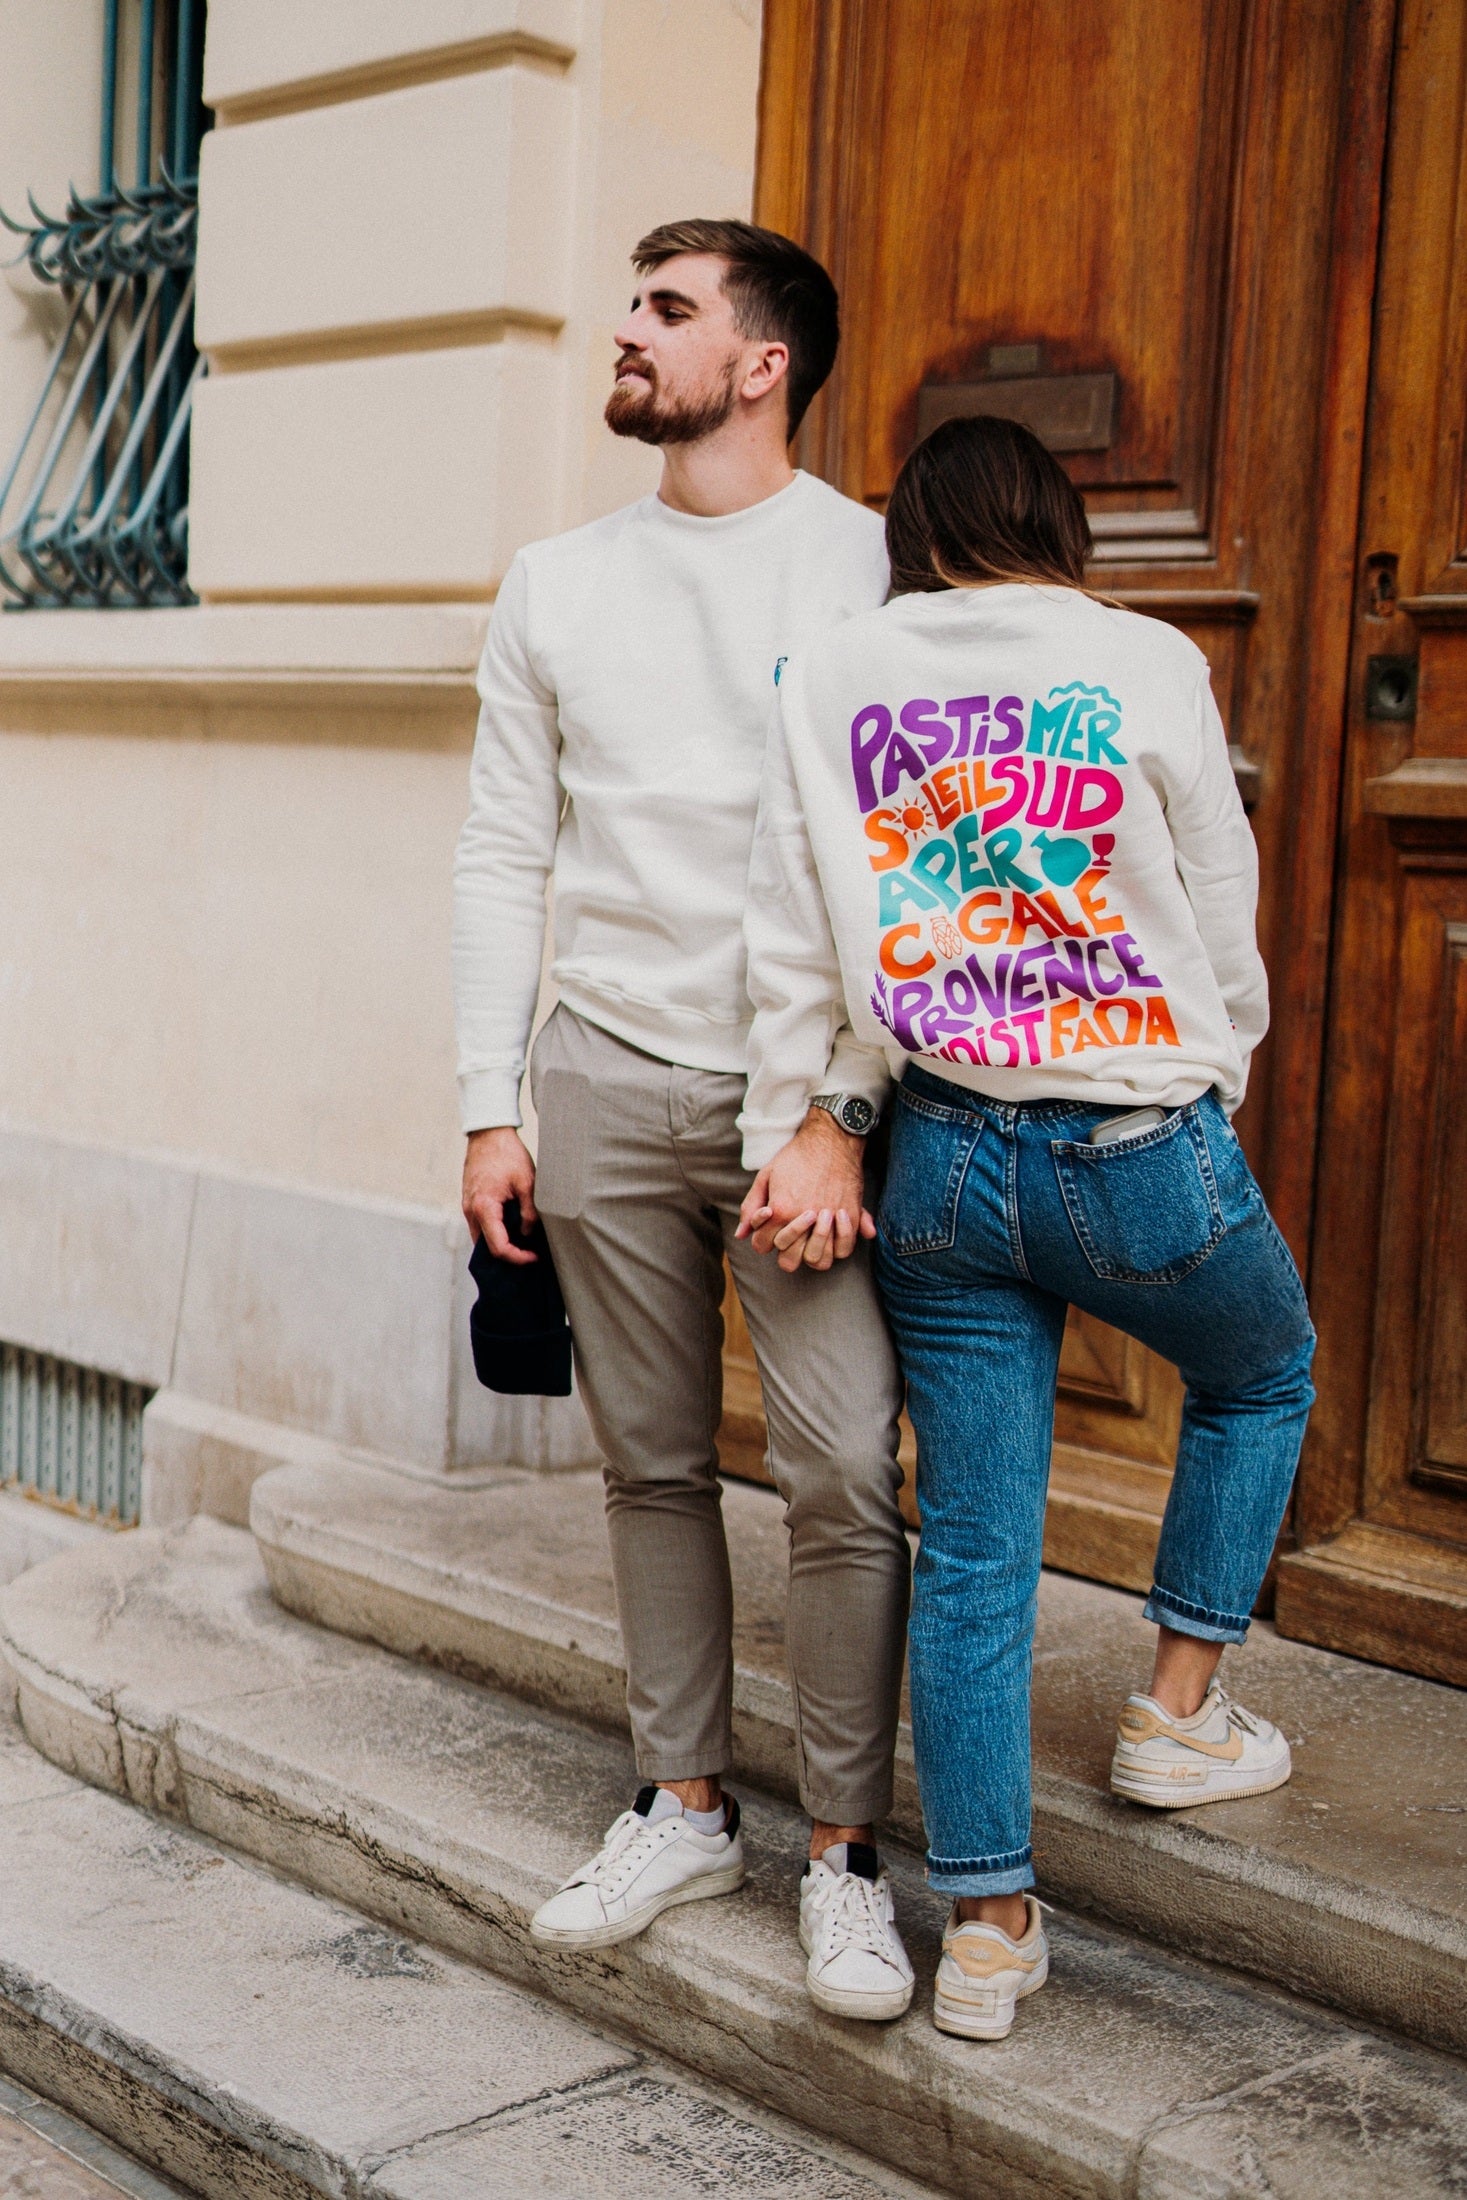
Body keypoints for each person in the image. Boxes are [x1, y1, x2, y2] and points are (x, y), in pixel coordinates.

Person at [736, 413, 1316, 2041]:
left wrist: (822, 1114)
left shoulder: (834, 672)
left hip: (938, 1160)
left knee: (979, 1544)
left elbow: (795, 929)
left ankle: (987, 1929)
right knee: (1266, 1372)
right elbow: (1223, 902)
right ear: (1061, 526)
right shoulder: (1145, 660)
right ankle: (1178, 1713)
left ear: (911, 536)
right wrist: (1213, 1073)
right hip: (1136, 1143)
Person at [453, 219, 915, 2020]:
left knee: (841, 1474)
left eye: (667, 311)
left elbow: (914, 866)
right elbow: (505, 846)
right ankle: (683, 1799)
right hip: (599, 1064)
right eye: (630, 307)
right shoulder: (555, 581)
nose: (624, 337)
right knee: (647, 1462)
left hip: (799, 1093)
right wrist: (492, 1104)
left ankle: (848, 1858)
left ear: (764, 360)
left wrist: (846, 1110)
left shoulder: (877, 571)